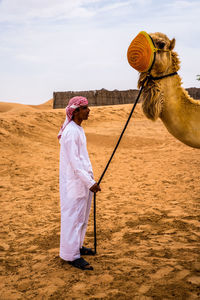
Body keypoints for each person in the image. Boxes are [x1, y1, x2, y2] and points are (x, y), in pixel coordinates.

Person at [58, 96, 101, 270]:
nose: (88, 110)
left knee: (81, 218)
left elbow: (82, 158)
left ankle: (77, 247)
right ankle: (71, 255)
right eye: (84, 108)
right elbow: (75, 164)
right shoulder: (70, 132)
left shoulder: (78, 129)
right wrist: (90, 182)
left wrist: (90, 180)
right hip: (74, 183)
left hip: (83, 181)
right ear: (75, 111)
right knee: (73, 218)